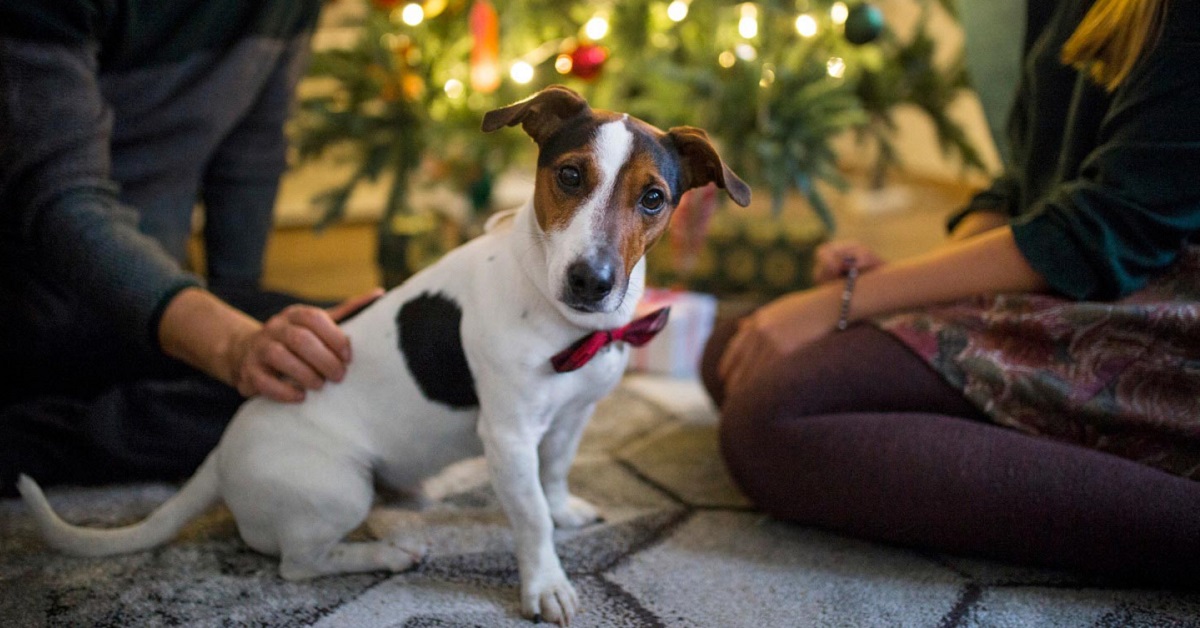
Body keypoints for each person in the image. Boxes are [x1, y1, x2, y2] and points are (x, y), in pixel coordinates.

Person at [701, 0, 1200, 585]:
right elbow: (1026, 187)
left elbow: (1108, 230)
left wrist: (853, 300)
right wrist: (904, 280)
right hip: (1084, 282)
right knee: (732, 353)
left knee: (770, 419)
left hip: (1160, 310)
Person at [0, 0, 380, 496]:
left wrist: (247, 318)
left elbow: (249, 156)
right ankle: (25, 442)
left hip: (153, 302)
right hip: (31, 299)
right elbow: (60, 203)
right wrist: (231, 344)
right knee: (288, 394)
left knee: (341, 359)